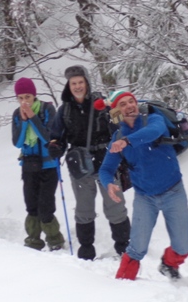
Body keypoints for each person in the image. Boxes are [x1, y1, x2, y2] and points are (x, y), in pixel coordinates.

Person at [99, 90, 188, 281]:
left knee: (183, 246)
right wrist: (108, 184)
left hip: (173, 190)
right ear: (117, 110)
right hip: (144, 198)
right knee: (136, 248)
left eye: (130, 101)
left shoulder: (153, 119)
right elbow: (105, 169)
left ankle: (169, 264)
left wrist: (127, 141)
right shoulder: (118, 135)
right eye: (122, 104)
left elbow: (153, 133)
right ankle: (123, 284)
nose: (128, 106)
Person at [51, 66, 130, 260]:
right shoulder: (64, 110)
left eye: (80, 82)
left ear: (87, 83)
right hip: (80, 165)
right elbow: (56, 136)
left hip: (107, 161)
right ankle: (86, 249)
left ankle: (124, 247)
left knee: (115, 205)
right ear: (69, 86)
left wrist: (114, 112)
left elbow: (120, 127)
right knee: (84, 208)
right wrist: (54, 146)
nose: (77, 86)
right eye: (73, 83)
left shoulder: (103, 103)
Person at [11, 77, 65, 251]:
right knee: (31, 204)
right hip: (28, 165)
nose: (24, 101)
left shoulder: (47, 109)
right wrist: (24, 121)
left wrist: (33, 118)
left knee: (46, 204)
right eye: (21, 97)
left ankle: (54, 239)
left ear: (34, 95)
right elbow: (17, 142)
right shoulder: (16, 114)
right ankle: (33, 239)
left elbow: (48, 137)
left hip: (48, 164)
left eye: (28, 96)